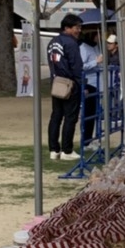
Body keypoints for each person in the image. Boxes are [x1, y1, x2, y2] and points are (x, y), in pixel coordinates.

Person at [45, 14, 85, 159]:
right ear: (67, 28)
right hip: (70, 83)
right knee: (70, 117)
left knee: (56, 116)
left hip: (56, 83)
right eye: (76, 27)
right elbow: (76, 66)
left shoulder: (52, 42)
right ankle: (67, 150)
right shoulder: (71, 43)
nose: (79, 30)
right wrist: (81, 84)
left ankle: (54, 149)